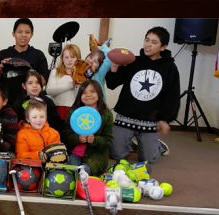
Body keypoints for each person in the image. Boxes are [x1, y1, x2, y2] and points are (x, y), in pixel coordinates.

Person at [106, 26, 179, 163]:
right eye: (147, 40)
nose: (148, 45)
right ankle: (131, 141)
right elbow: (112, 84)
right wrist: (115, 68)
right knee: (116, 155)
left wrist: (165, 119)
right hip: (125, 117)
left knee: (148, 159)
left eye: (154, 42)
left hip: (150, 121)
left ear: (163, 47)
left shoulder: (169, 68)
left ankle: (156, 145)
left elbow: (172, 96)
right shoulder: (133, 61)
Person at [0, 18, 49, 107]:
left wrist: (29, 69)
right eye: (20, 32)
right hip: (5, 103)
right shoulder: (3, 54)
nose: (23, 35)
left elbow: (43, 81)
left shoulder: (38, 55)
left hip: (31, 104)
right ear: (13, 34)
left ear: (31, 35)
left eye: (27, 32)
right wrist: (0, 68)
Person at [62, 80, 113, 176]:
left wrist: (95, 140)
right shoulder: (73, 113)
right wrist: (77, 139)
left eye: (92, 91)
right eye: (84, 92)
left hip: (96, 156)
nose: (88, 95)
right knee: (71, 172)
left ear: (99, 94)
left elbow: (108, 140)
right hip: (75, 153)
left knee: (84, 173)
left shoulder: (106, 114)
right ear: (80, 96)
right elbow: (66, 135)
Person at [46, 44, 82, 121]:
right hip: (58, 110)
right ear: (62, 58)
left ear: (78, 58)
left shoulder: (82, 74)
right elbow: (49, 90)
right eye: (66, 57)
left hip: (76, 111)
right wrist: (71, 84)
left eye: (73, 57)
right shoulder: (55, 72)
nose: (69, 60)